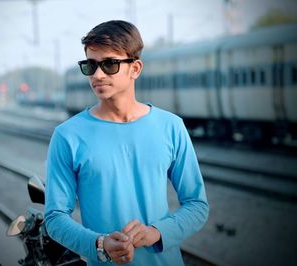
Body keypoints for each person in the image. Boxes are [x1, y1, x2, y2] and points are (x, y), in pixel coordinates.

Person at [45, 20, 209, 265]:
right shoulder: (67, 135)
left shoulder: (171, 127)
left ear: (135, 68)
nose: (98, 75)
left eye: (109, 64)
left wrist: (158, 232)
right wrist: (99, 244)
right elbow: (55, 217)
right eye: (91, 65)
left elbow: (197, 204)